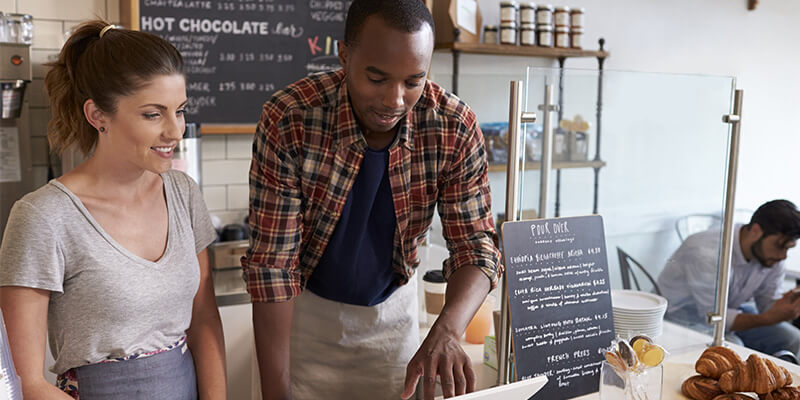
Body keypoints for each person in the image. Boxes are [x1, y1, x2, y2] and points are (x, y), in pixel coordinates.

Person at [242, 1, 501, 399]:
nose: (395, 100)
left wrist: (447, 330)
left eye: (413, 81)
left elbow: (477, 247)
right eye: (377, 78)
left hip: (393, 324)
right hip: (302, 324)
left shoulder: (452, 125)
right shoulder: (291, 117)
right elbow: (273, 269)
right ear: (345, 55)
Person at [0, 21, 226, 399]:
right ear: (97, 115)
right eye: (153, 114)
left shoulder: (183, 193)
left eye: (180, 110)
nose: (175, 131)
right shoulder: (43, 218)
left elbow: (203, 319)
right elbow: (25, 383)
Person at [658, 200, 800, 357]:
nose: (782, 256)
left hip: (728, 310)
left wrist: (787, 303)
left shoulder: (772, 256)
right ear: (755, 230)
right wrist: (766, 318)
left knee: (793, 338)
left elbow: (767, 305)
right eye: (780, 245)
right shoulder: (708, 251)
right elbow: (712, 317)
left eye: (788, 248)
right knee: (733, 349)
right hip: (679, 316)